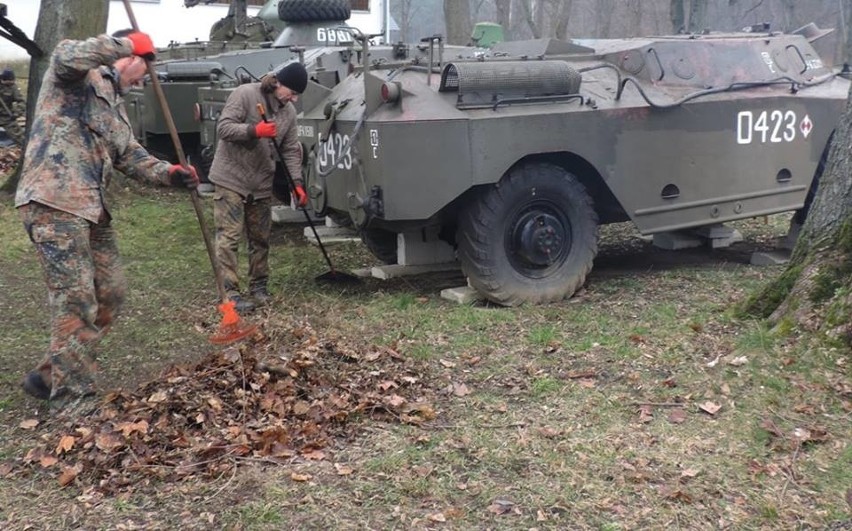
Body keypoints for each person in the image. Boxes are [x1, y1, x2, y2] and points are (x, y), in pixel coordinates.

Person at [14, 30, 200, 415]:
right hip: (54, 201)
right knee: (75, 299)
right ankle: (71, 401)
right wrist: (129, 44)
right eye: (144, 72)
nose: (144, 81)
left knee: (111, 293)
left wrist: (171, 174)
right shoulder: (76, 76)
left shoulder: (115, 104)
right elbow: (66, 54)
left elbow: (131, 156)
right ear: (129, 58)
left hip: (92, 210)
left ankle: (50, 375)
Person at [208, 61, 309, 313]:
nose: (294, 99)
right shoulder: (245, 94)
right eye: (292, 92)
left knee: (260, 238)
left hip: (261, 181)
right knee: (229, 237)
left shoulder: (288, 113)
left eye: (297, 95)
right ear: (278, 83)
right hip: (231, 176)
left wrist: (296, 184)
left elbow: (290, 150)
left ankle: (259, 287)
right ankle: (230, 293)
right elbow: (224, 128)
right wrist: (255, 130)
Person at [0, 67, 25, 146]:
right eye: (6, 82)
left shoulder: (13, 88)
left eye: (11, 82)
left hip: (6, 117)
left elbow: (22, 102)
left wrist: (16, 113)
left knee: (20, 137)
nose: (9, 84)